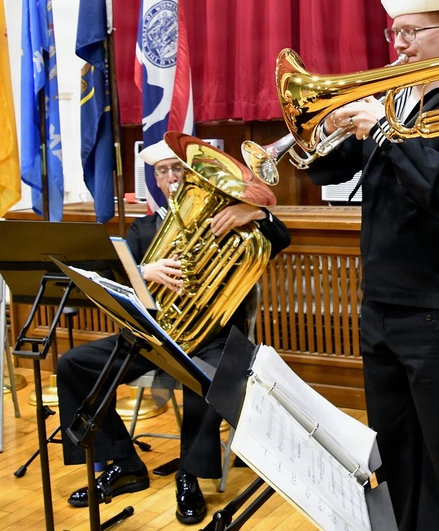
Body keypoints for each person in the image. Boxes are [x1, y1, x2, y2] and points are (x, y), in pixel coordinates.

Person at [305, 0, 439, 531]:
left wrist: (385, 133)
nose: (399, 44)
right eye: (395, 33)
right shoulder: (394, 102)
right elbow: (324, 171)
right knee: (394, 454)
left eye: (411, 33)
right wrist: (323, 128)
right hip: (381, 308)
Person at [58, 138, 290, 525]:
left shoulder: (227, 221)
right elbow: (111, 279)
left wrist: (254, 212)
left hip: (212, 338)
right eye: (162, 172)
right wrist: (143, 272)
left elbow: (281, 238)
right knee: (72, 365)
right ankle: (124, 464)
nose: (171, 178)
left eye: (178, 169)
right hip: (152, 335)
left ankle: (189, 474)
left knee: (205, 374)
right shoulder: (143, 228)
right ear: (156, 180)